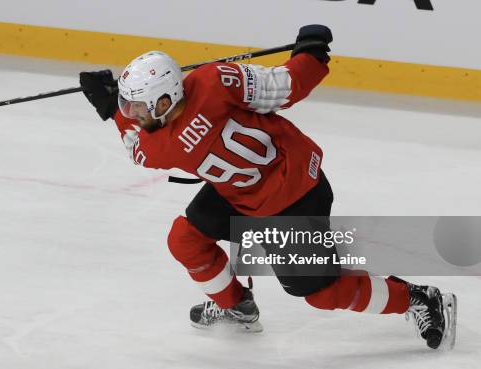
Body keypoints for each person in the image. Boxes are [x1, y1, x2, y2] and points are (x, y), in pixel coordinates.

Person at [79, 25, 456, 350]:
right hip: (247, 189)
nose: (134, 115)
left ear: (165, 100)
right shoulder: (214, 80)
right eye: (130, 108)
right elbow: (285, 86)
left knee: (324, 294)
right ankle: (236, 306)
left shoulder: (161, 146)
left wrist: (109, 108)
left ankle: (421, 300)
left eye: (138, 108)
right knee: (186, 239)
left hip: (292, 200)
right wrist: (312, 54)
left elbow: (135, 148)